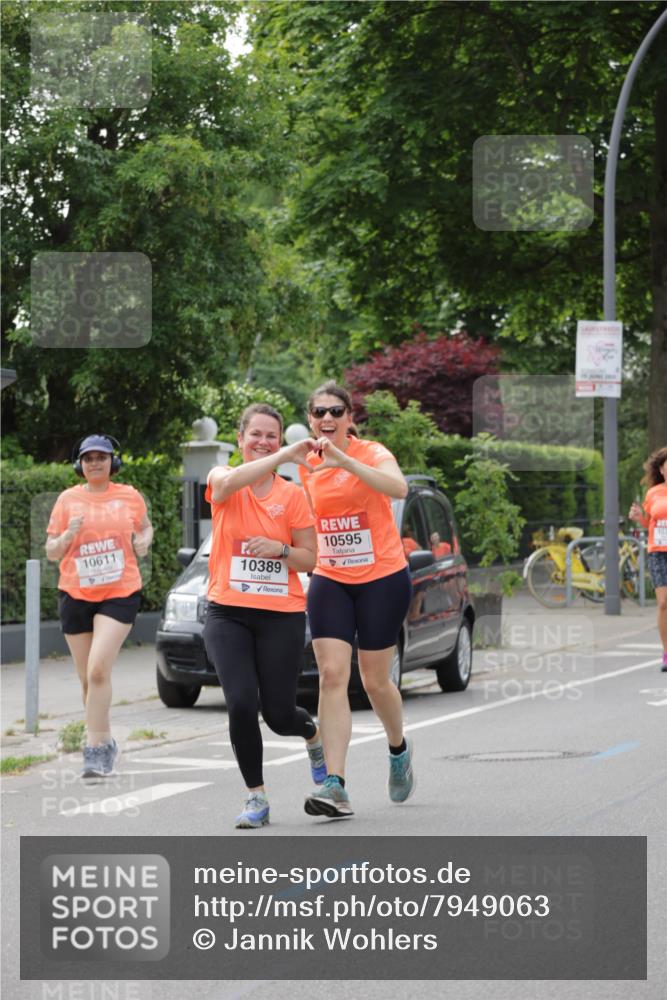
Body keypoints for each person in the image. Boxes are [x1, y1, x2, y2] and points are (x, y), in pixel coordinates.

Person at [203, 403, 326, 829]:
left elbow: (311, 557)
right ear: (240, 440)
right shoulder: (224, 479)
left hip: (281, 615)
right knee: (240, 702)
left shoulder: (292, 496)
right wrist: (285, 455)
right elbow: (230, 482)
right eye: (255, 435)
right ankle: (256, 797)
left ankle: (312, 735)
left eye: (271, 436)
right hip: (227, 613)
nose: (263, 442)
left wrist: (282, 551)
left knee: (279, 715)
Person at [299, 380, 415, 818]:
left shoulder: (372, 452)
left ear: (350, 418)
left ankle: (398, 749)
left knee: (374, 681)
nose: (327, 419)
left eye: (335, 412)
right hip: (330, 576)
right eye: (319, 412)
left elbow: (398, 489)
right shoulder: (305, 465)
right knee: (331, 674)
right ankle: (335, 784)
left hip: (383, 577)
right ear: (310, 419)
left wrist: (344, 460)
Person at [46, 435, 153, 777]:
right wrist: (67, 536)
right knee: (86, 680)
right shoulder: (67, 500)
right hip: (75, 593)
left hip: (119, 592)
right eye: (88, 458)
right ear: (80, 464)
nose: (95, 463)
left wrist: (143, 541)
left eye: (101, 457)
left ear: (112, 462)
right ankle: (105, 742)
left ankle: (94, 751)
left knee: (97, 670)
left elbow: (146, 528)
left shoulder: (129, 496)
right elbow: (51, 551)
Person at [629, 445, 667, 672]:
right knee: (663, 603)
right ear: (661, 470)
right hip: (658, 552)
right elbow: (648, 523)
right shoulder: (653, 493)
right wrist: (638, 518)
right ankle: (666, 653)